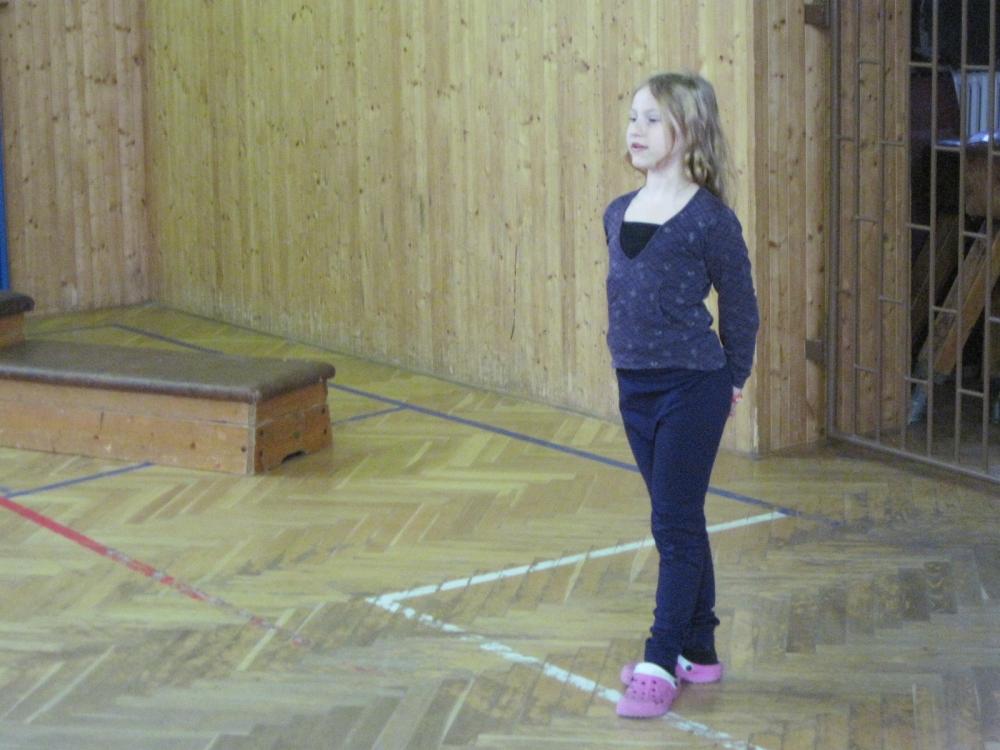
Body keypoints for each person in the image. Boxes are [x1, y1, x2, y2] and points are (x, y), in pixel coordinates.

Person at [603, 71, 759, 719]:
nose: (636, 130)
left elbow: (741, 304)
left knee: (671, 524)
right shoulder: (617, 212)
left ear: (688, 130)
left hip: (693, 387)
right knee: (682, 518)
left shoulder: (710, 220)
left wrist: (734, 377)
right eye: (633, 117)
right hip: (634, 388)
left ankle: (660, 660)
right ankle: (700, 647)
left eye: (652, 119)